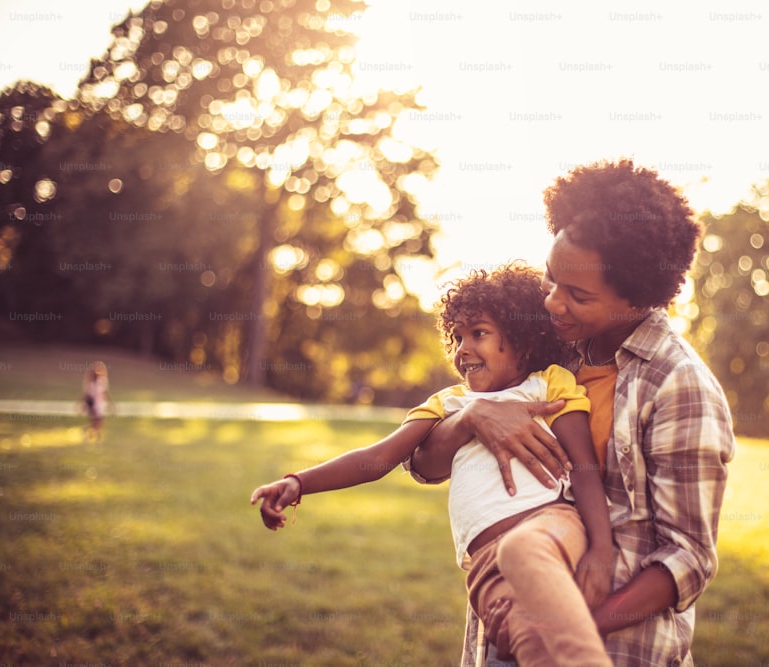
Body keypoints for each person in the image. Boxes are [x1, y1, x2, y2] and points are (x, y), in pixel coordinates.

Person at [408, 159, 737, 667]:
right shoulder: (545, 349)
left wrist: (560, 629)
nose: (554, 304)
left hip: (613, 646)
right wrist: (472, 419)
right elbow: (423, 464)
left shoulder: (678, 386)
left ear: (638, 298)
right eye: (551, 279)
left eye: (578, 295)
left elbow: (688, 559)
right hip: (502, 629)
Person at [251, 263, 615, 667]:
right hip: (486, 565)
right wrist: (299, 483)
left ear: (522, 341)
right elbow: (378, 458)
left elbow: (585, 467)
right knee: (522, 641)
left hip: (552, 527)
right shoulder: (448, 404)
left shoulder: (551, 383)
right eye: (457, 337)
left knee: (528, 566)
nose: (463, 348)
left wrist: (601, 548)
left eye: (479, 333)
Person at [81, 361, 111, 442]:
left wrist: (110, 403)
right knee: (96, 421)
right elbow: (86, 393)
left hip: (100, 404)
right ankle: (93, 435)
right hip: (93, 404)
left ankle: (95, 435)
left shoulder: (103, 380)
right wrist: (82, 404)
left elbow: (106, 393)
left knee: (99, 421)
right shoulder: (90, 381)